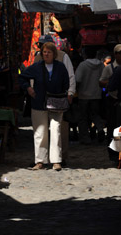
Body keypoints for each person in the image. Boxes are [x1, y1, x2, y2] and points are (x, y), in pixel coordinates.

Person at [19, 42, 69, 171]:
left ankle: (56, 160)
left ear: (54, 54)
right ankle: (40, 160)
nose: (46, 54)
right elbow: (22, 78)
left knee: (56, 129)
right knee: (40, 132)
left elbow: (66, 82)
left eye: (49, 52)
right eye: (44, 52)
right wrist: (28, 88)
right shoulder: (36, 67)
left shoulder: (60, 67)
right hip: (39, 103)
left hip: (56, 103)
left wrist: (60, 95)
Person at [34, 34, 76, 164]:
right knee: (41, 130)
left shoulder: (63, 56)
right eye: (41, 46)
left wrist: (70, 92)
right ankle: (42, 159)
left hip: (58, 98)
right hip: (41, 98)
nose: (42, 48)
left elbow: (70, 76)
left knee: (59, 128)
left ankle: (60, 157)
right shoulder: (37, 58)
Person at [75, 47, 105, 144]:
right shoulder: (101, 65)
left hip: (83, 95)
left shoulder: (83, 65)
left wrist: (76, 90)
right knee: (95, 114)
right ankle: (100, 128)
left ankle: (85, 138)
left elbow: (77, 79)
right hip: (96, 94)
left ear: (85, 54)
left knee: (83, 117)